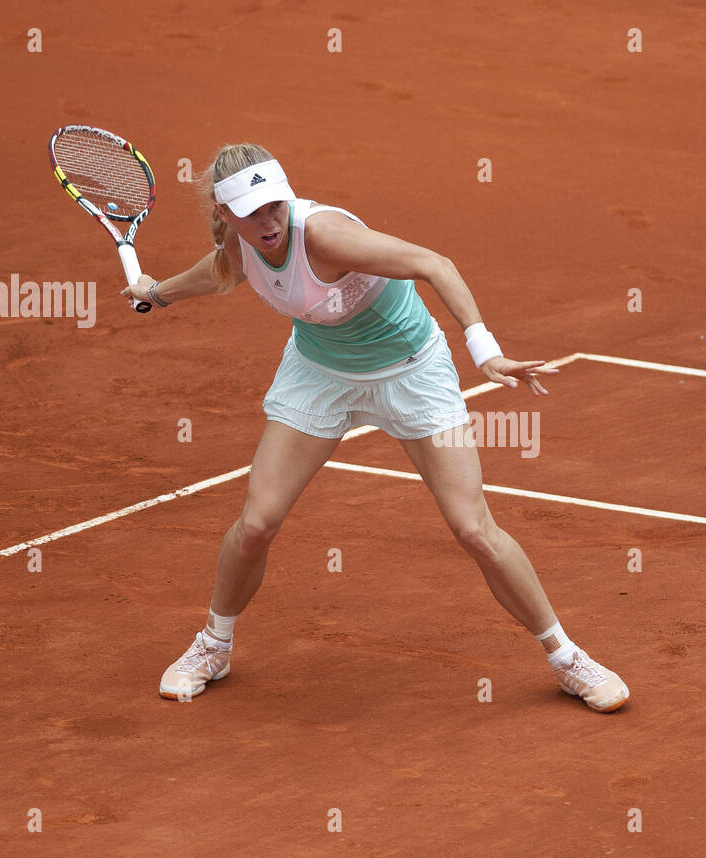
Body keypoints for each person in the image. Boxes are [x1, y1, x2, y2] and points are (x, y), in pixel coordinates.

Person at [122, 143, 628, 713]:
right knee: (258, 522)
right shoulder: (240, 248)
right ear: (225, 214)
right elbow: (217, 275)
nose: (267, 223)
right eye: (250, 212)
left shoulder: (326, 235)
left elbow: (435, 264)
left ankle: (567, 658)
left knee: (473, 529)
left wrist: (486, 353)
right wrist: (156, 293)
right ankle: (213, 646)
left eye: (274, 207)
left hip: (414, 373)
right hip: (318, 376)